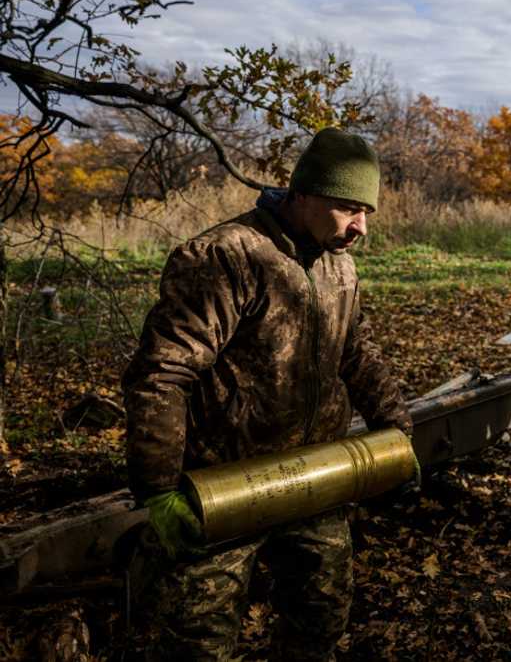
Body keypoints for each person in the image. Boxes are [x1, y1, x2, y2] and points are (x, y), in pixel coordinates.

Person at [123, 127, 411, 661]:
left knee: (320, 625)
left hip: (317, 477)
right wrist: (158, 489)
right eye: (349, 207)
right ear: (302, 195)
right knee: (198, 645)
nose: (361, 227)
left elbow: (356, 352)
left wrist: (397, 429)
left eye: (366, 211)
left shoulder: (337, 263)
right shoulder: (224, 257)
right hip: (222, 488)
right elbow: (162, 375)